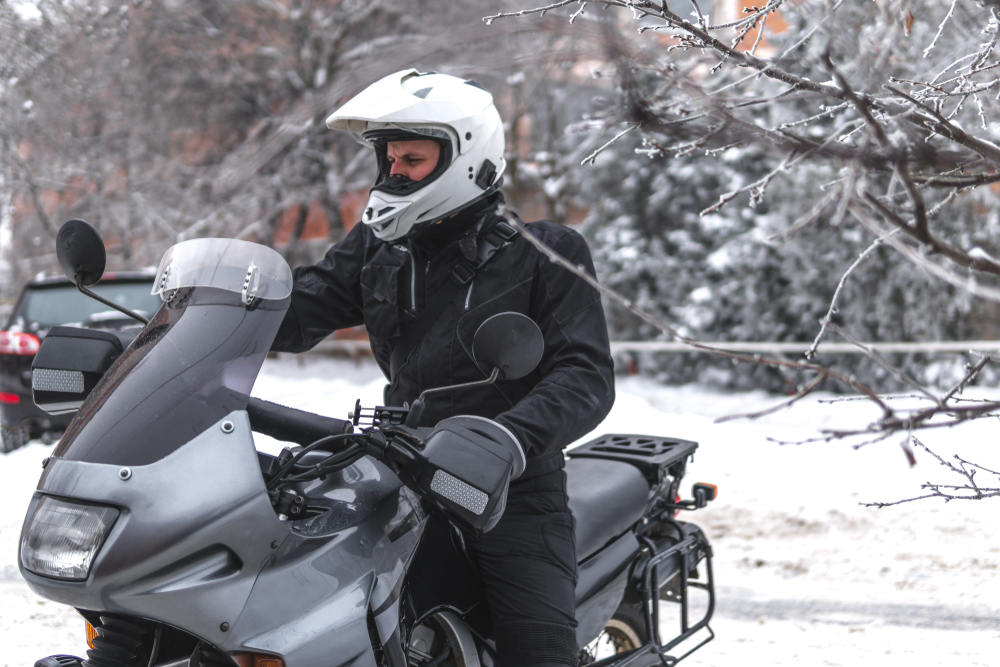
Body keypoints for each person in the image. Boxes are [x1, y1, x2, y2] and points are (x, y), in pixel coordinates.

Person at [271, 69, 615, 667]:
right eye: (390, 159)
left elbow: (585, 376)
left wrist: (507, 438)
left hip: (509, 489)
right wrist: (185, 327)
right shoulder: (379, 247)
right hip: (394, 475)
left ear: (467, 157)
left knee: (536, 653)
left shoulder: (544, 253)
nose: (395, 172)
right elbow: (300, 309)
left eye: (413, 158)